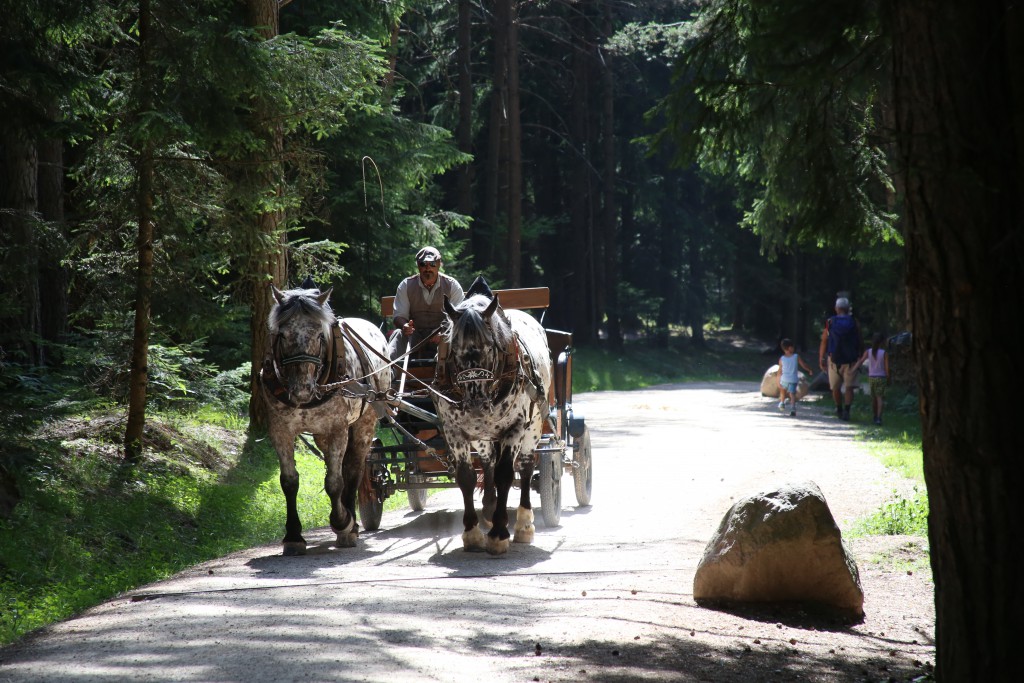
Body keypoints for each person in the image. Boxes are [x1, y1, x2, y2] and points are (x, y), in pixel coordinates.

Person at [388, 246, 464, 361]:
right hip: (414, 336)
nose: (427, 268)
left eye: (432, 264)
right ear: (418, 265)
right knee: (398, 334)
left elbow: (458, 318)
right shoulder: (406, 285)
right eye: (423, 264)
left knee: (455, 336)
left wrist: (444, 332)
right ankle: (389, 371)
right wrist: (405, 326)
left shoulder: (452, 285)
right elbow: (399, 316)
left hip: (442, 335)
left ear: (439, 264)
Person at [818, 296, 864, 421]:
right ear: (848, 308)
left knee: (835, 387)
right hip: (851, 360)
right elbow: (860, 339)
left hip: (834, 359)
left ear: (836, 308)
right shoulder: (855, 322)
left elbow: (824, 340)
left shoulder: (829, 322)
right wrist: (860, 354)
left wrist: (821, 358)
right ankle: (847, 411)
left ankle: (839, 409)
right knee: (849, 387)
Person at [855, 333, 891, 425]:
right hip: (881, 377)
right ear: (882, 342)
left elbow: (861, 361)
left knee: (873, 398)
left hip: (871, 378)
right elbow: (887, 368)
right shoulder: (884, 353)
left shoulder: (869, 352)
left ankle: (874, 416)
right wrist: (888, 378)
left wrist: (853, 369)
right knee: (880, 398)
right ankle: (879, 418)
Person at [777, 338, 814, 417]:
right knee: (792, 394)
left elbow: (780, 371)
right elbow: (803, 365)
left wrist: (778, 380)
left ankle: (782, 403)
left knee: (783, 391)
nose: (794, 349)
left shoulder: (781, 359)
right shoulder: (796, 356)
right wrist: (809, 369)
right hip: (793, 379)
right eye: (793, 347)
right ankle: (793, 408)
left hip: (784, 379)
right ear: (790, 348)